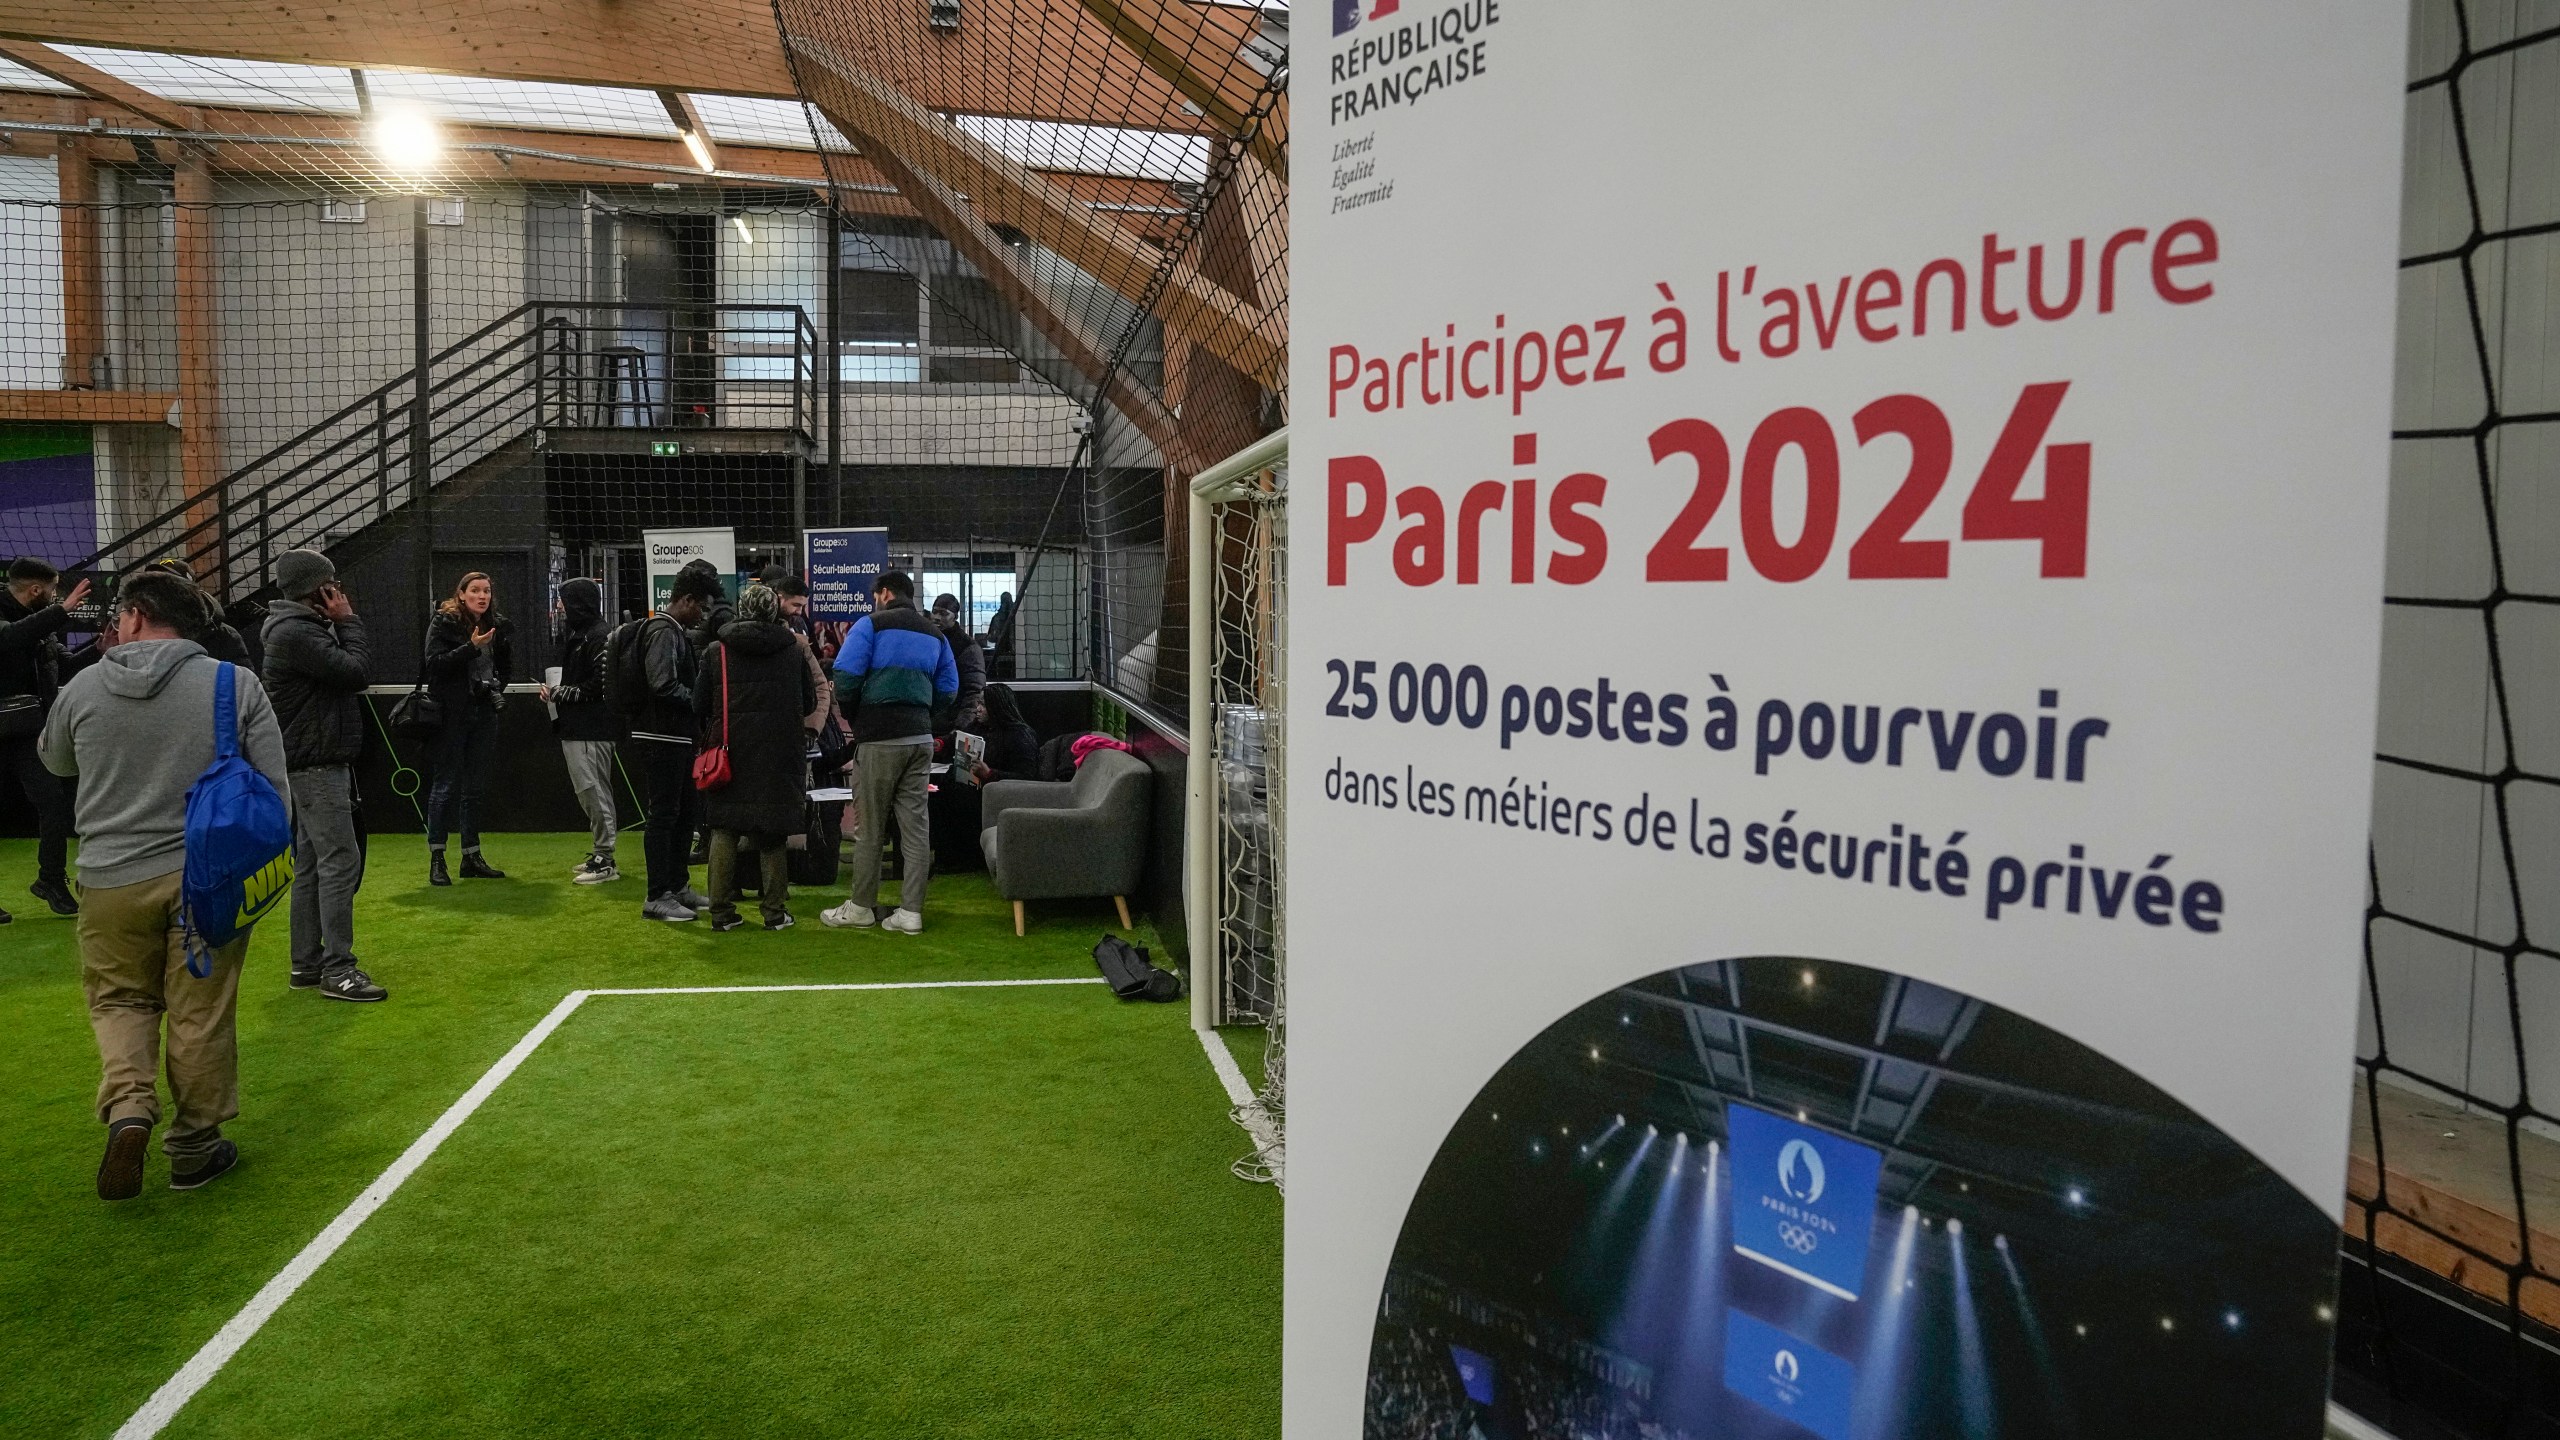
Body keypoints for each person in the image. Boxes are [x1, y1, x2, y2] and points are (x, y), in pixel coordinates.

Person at [39, 570, 288, 1198]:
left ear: (137, 614)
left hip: (108, 880)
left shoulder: (84, 685)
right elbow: (274, 793)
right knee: (200, 1014)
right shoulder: (235, 683)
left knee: (120, 1000)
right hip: (208, 879)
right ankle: (194, 1150)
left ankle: (128, 1107)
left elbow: (54, 760)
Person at [260, 549, 386, 1003]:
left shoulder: (295, 630)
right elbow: (357, 672)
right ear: (320, 589)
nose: (341, 592)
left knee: (312, 863)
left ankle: (306, 964)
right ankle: (339, 968)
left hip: (309, 762)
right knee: (339, 861)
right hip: (316, 765)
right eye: (333, 584)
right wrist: (348, 621)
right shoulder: (298, 633)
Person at [822, 570, 956, 935]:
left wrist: (857, 716)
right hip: (920, 739)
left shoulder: (870, 625)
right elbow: (949, 688)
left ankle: (861, 907)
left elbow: (846, 676)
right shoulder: (935, 634)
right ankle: (910, 913)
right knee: (915, 828)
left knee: (870, 828)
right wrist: (923, 716)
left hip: (879, 739)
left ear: (883, 593)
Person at [695, 583, 817, 932]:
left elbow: (698, 705)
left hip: (729, 753)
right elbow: (808, 703)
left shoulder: (716, 652)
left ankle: (720, 913)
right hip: (780, 754)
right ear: (775, 611)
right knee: (773, 833)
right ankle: (775, 913)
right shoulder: (794, 652)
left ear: (741, 610)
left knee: (724, 829)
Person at [1, 557, 90, 922]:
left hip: (28, 731)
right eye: (52, 591)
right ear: (36, 590)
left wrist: (101, 646)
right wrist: (61, 612)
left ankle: (51, 880)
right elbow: (7, 639)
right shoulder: (31, 619)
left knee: (53, 805)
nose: (55, 598)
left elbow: (65, 665)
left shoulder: (43, 623)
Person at [420, 571, 513, 886]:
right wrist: (470, 648)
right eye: (475, 591)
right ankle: (437, 859)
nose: (482, 596)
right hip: (451, 714)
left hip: (484, 712)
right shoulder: (444, 622)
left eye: (486, 590)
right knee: (444, 786)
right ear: (461, 594)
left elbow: (505, 665)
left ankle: (471, 857)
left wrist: (497, 685)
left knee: (474, 788)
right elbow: (434, 664)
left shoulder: (497, 625)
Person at [634, 568, 715, 921]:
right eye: (702, 607)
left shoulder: (673, 631)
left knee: (683, 815)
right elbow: (662, 684)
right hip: (660, 738)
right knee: (664, 816)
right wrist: (700, 701)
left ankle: (676, 886)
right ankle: (657, 895)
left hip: (675, 738)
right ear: (685, 601)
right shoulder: (662, 631)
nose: (704, 616)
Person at [542, 578, 624, 885]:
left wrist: (559, 693)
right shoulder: (584, 635)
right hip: (580, 727)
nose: (560, 606)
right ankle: (602, 852)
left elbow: (599, 688)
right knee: (590, 792)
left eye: (564, 600)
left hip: (592, 727)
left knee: (594, 792)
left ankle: (606, 859)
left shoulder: (598, 636)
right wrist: (559, 693)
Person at [773, 572, 841, 746]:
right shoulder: (770, 627)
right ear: (780, 598)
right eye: (796, 605)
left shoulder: (800, 623)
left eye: (803, 606)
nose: (800, 611)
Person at [148, 557, 250, 664]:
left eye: (168, 584)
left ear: (188, 592)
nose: (159, 590)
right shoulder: (141, 629)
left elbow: (238, 678)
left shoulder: (223, 635)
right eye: (154, 583)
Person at [929, 593, 988, 734]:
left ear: (955, 617)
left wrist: (961, 728)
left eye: (943, 613)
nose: (937, 617)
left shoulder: (968, 647)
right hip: (929, 723)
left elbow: (974, 692)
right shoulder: (928, 639)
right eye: (934, 612)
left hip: (951, 724)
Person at [973, 683, 1041, 784]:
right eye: (978, 703)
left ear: (997, 707)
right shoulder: (979, 726)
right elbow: (955, 738)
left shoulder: (1020, 736)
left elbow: (1028, 777)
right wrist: (941, 743)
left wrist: (990, 774)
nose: (977, 709)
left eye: (983, 705)